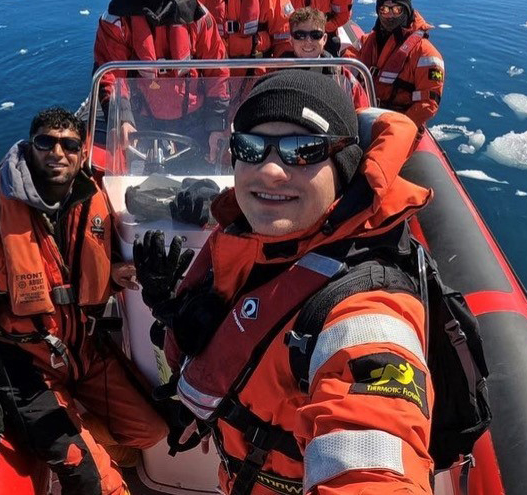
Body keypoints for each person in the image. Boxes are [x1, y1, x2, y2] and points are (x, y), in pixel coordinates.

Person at [137, 70, 437, 494]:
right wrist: (171, 311)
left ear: (344, 167)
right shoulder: (257, 248)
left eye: (303, 150)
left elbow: (372, 460)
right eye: (252, 148)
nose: (271, 171)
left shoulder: (366, 309)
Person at [0, 107, 167, 494]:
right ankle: (69, 437)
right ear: (30, 148)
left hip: (82, 351)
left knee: (151, 430)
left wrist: (112, 277)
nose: (58, 152)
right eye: (46, 142)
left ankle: (76, 422)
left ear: (81, 152)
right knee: (93, 479)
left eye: (69, 144)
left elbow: (77, 276)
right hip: (26, 365)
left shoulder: (92, 203)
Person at [93, 0, 230, 163]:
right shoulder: (116, 20)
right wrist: (123, 119)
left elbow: (217, 68)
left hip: (194, 121)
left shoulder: (197, 15)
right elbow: (110, 74)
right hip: (140, 121)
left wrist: (217, 124)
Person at [357, 0, 444, 130]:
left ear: (407, 11)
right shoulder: (368, 41)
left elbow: (428, 104)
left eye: (396, 9)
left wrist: (397, 128)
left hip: (400, 125)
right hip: (366, 115)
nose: (390, 15)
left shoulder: (426, 54)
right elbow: (349, 56)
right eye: (383, 9)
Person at [282, 6, 370, 109]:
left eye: (315, 35)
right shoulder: (275, 72)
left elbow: (361, 110)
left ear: (324, 39)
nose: (308, 41)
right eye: (300, 35)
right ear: (291, 40)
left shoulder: (341, 75)